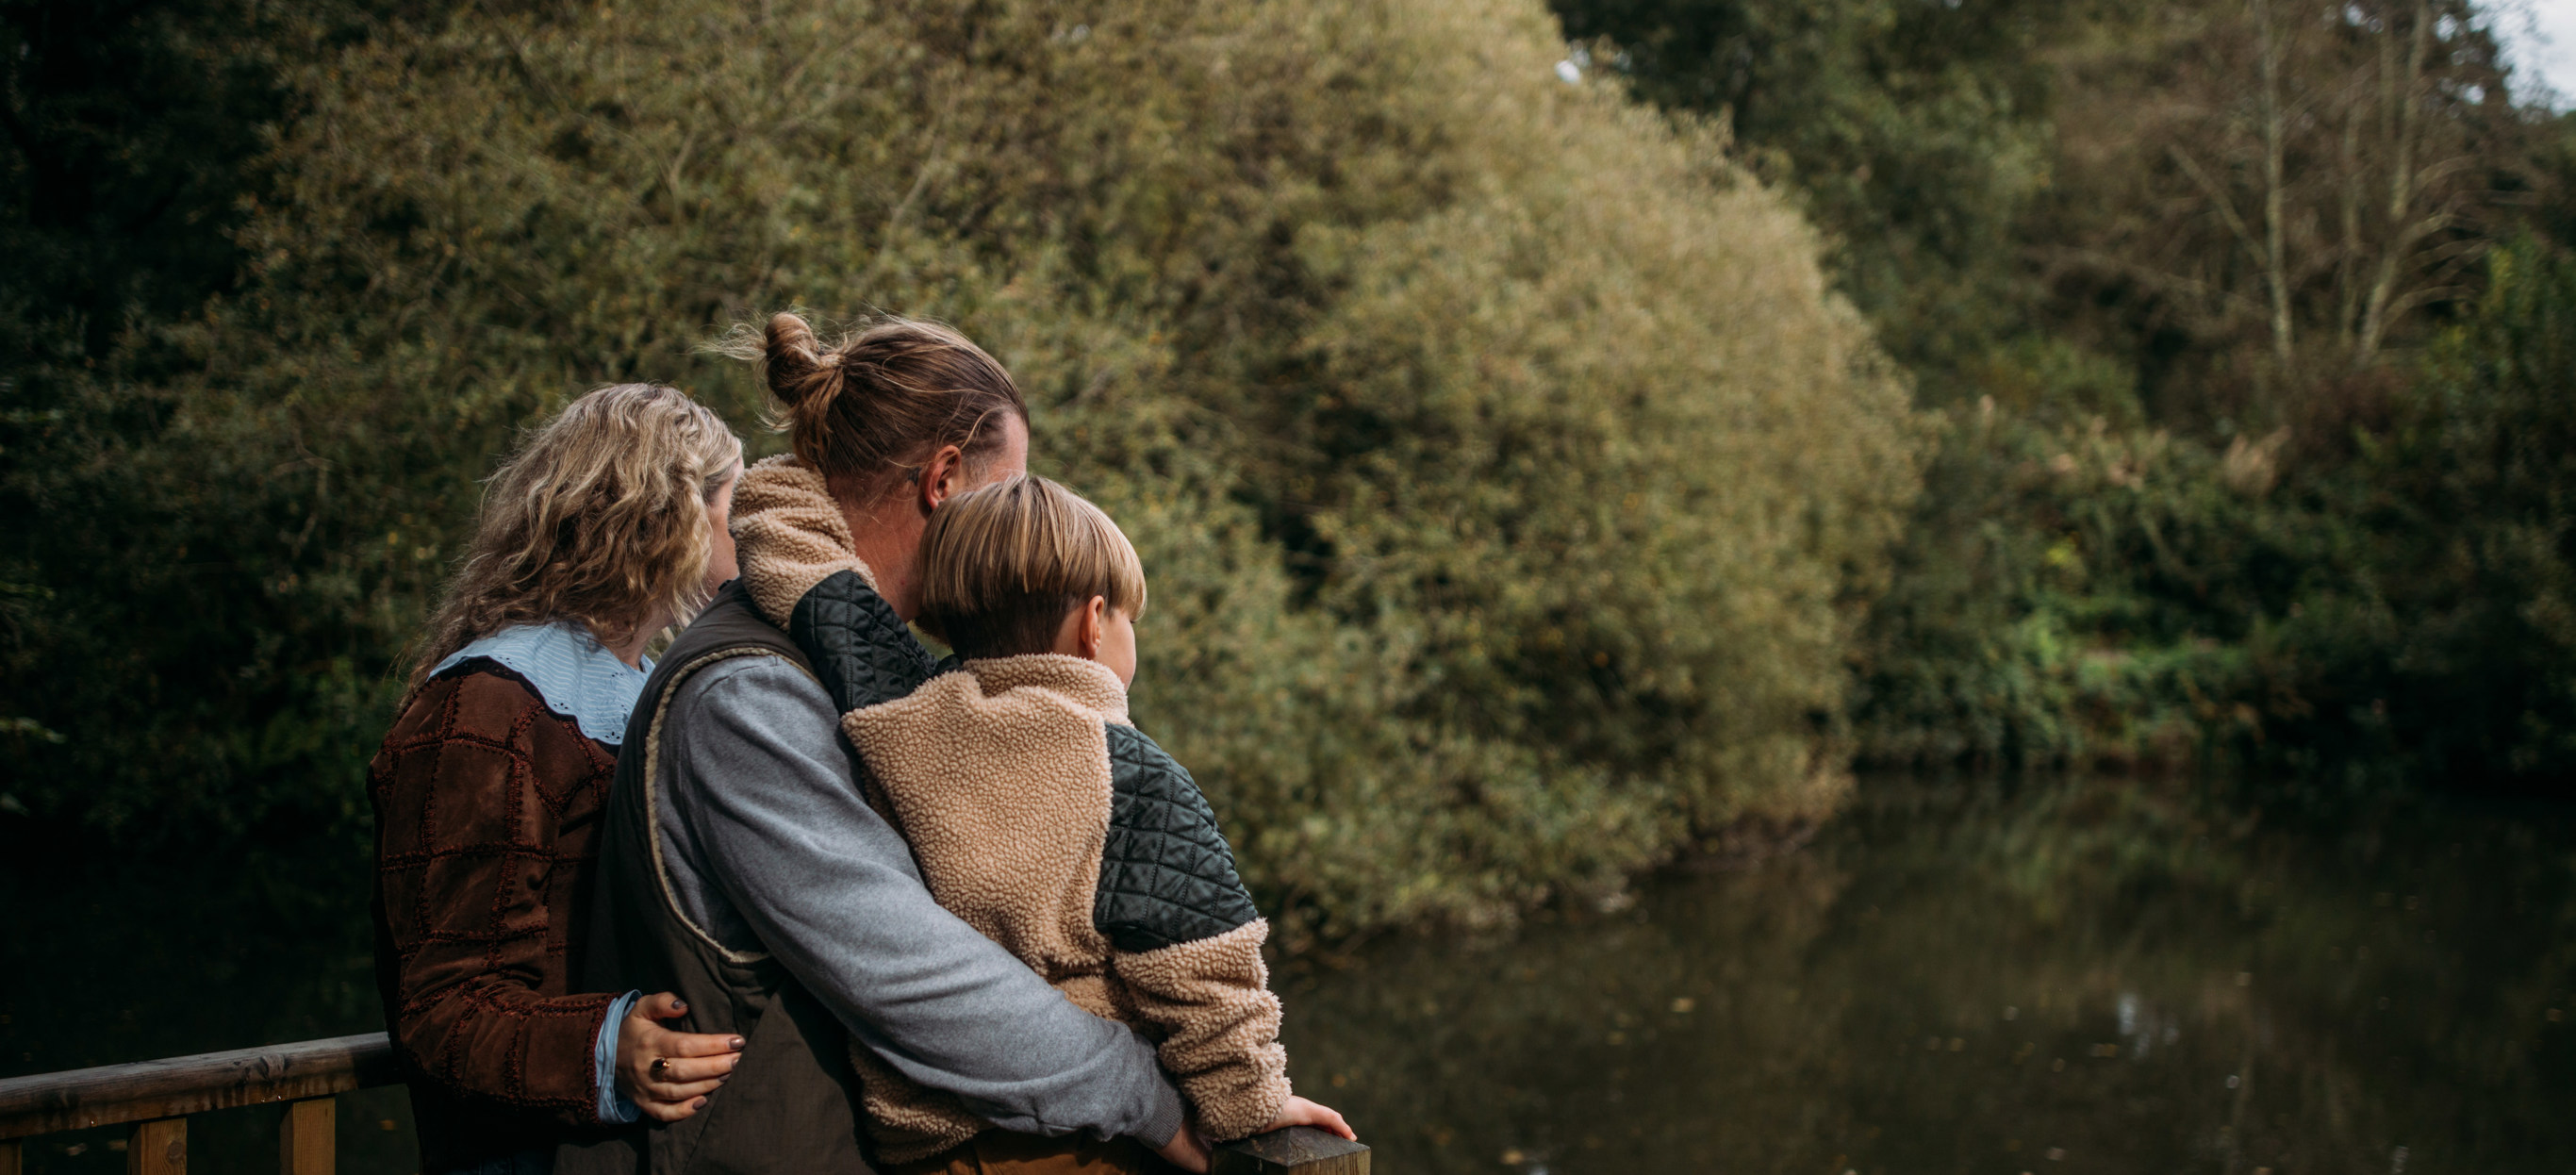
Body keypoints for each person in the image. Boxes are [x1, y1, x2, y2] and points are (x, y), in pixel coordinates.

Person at [557, 315, 1209, 1175]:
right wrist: (1151, 1098)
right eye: (1004, 491)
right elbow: (908, 971)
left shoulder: (852, 668)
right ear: (942, 479)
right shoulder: (750, 691)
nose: (1017, 530)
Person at [726, 470, 1356, 1173]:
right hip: (1076, 1143)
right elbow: (1202, 966)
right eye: (1127, 619)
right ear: (1094, 624)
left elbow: (793, 548)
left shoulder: (894, 709)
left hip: (921, 1146)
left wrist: (820, 423)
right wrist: (1254, 1102)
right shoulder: (1129, 771)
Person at [370, 384, 751, 1175]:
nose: (752, 528)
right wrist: (611, 1047)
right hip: (522, 1160)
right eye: (735, 503)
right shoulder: (485, 706)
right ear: (672, 515)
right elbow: (444, 1007)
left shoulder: (655, 685)